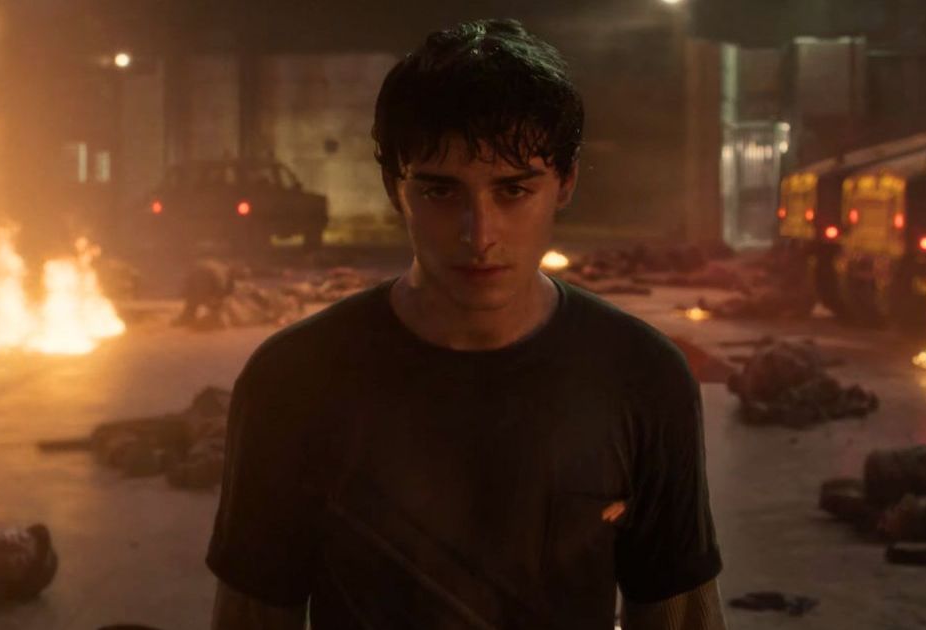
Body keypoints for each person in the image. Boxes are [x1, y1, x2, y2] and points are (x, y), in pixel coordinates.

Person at [207, 19, 724, 630]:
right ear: (394, 188)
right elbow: (252, 616)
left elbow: (679, 615)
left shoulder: (641, 378)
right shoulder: (291, 381)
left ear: (565, 183)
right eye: (440, 193)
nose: (479, 234)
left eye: (513, 191)